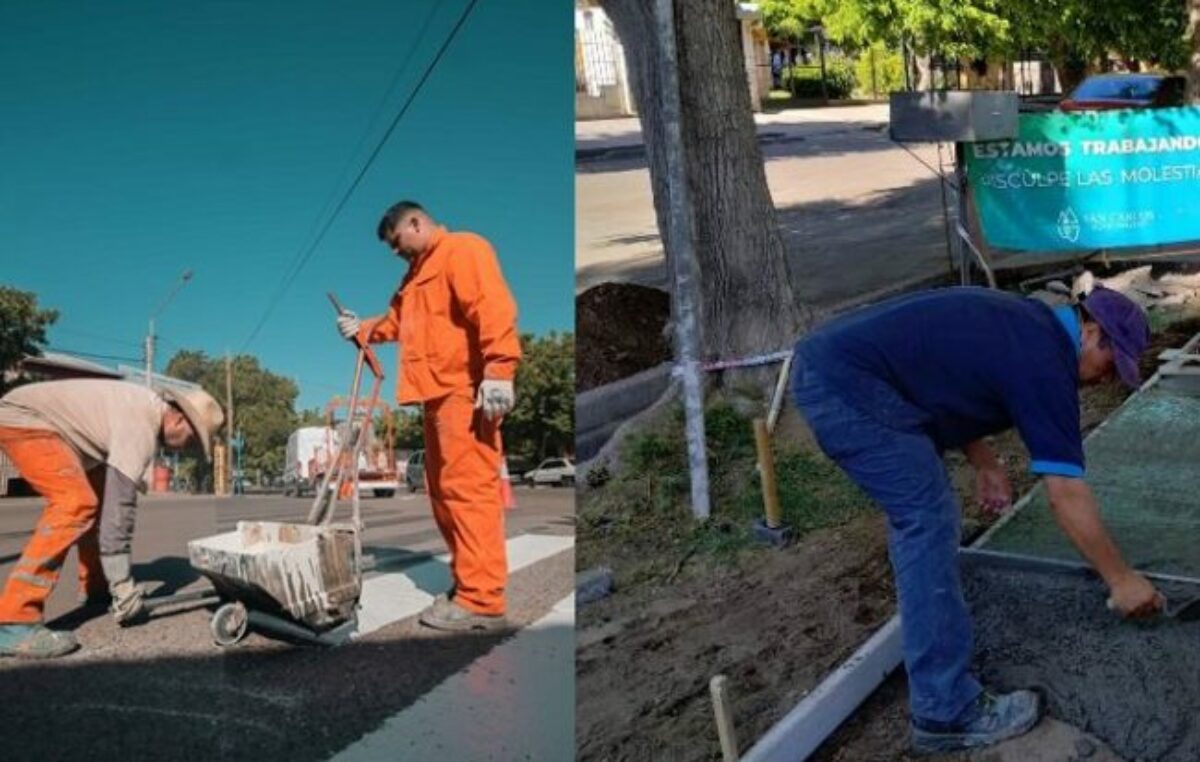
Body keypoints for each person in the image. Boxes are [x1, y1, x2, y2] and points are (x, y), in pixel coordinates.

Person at [790, 285, 1164, 754]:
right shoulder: (1045, 362)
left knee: (928, 510)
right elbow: (1065, 493)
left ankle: (940, 688)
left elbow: (948, 378)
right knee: (926, 517)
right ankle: (944, 711)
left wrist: (984, 460)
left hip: (850, 370)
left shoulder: (1031, 326)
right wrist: (1122, 579)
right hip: (849, 385)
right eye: (1111, 366)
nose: (1105, 381)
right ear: (1091, 332)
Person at [336, 200, 520, 631]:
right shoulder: (415, 277)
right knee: (444, 496)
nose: (397, 252)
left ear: (416, 222)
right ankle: (469, 582)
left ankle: (482, 600)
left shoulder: (463, 249)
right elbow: (397, 322)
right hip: (436, 398)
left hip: (465, 394)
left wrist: (499, 369)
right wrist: (359, 328)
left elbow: (492, 306)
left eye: (398, 242)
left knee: (469, 494)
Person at [0, 379, 224, 658]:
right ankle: (14, 619)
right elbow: (120, 512)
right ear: (178, 419)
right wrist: (124, 586)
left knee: (99, 494)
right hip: (26, 421)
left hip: (60, 432)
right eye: (192, 439)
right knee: (76, 503)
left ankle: (96, 588)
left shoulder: (144, 410)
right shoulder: (140, 425)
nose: (186, 449)